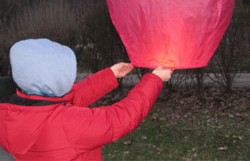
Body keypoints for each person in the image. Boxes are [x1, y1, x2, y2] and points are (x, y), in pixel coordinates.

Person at [0, 38, 172, 160]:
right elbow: (120, 118)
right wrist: (154, 79)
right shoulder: (67, 124)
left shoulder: (11, 113)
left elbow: (71, 97)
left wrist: (110, 75)